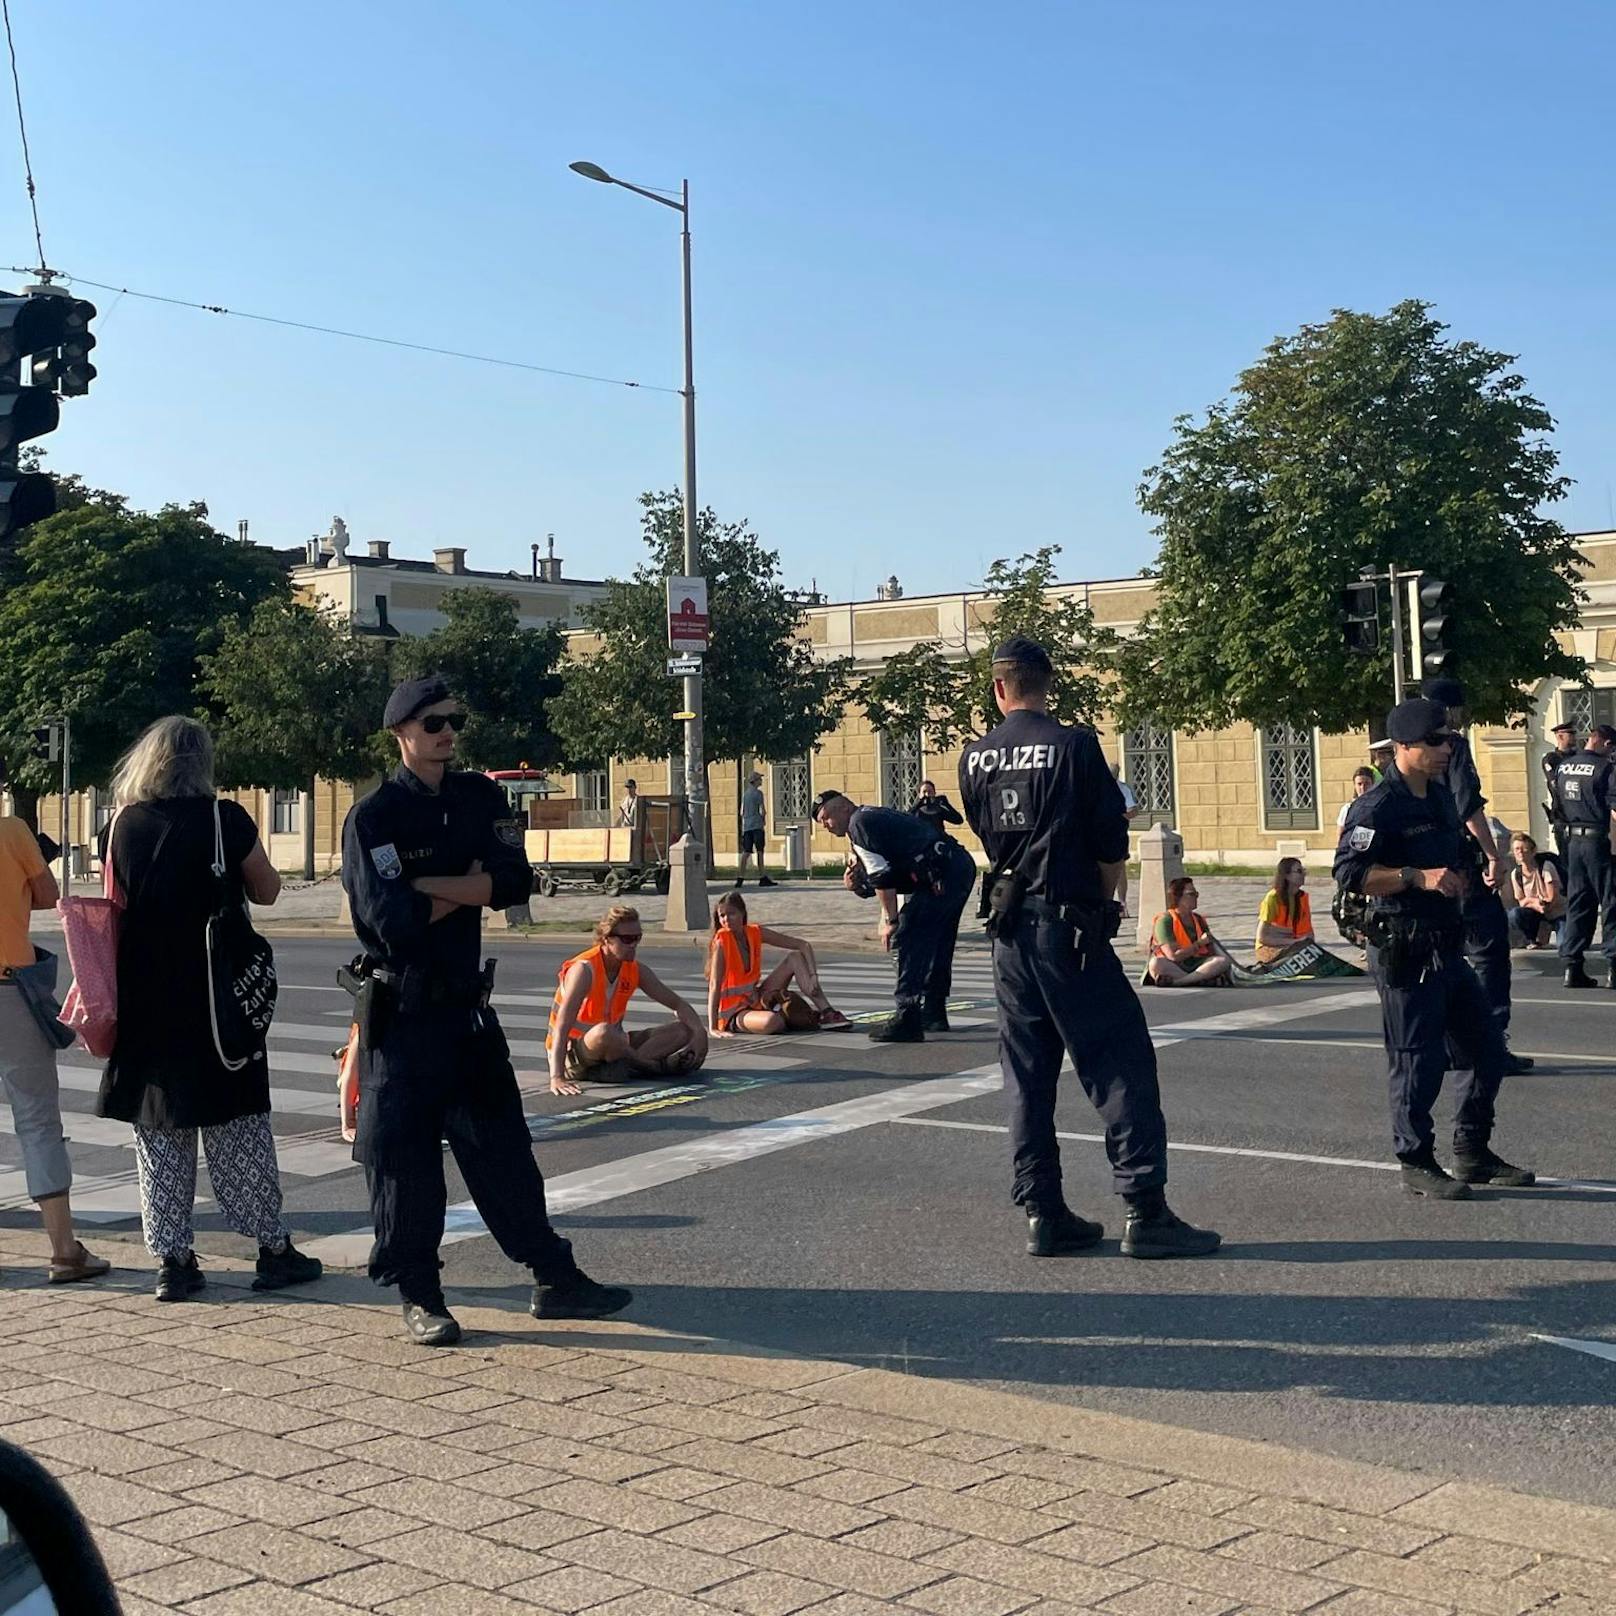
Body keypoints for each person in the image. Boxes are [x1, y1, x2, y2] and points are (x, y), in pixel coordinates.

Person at [343, 675, 631, 1346]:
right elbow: (392, 924)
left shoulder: (481, 797)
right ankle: (421, 1297)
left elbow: (514, 881)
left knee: (504, 1154)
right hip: (404, 1015)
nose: (447, 731)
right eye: (433, 722)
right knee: (404, 1166)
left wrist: (432, 887)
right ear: (402, 734)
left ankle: (555, 1279)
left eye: (453, 719)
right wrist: (465, 887)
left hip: (467, 1015)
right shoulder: (376, 816)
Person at [959, 634, 1219, 1260]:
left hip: (1009, 931)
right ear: (1047, 686)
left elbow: (989, 836)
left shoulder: (973, 758)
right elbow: (1110, 844)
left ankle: (1043, 1212)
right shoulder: (1074, 746)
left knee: (1026, 1074)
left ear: (998, 689)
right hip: (1067, 925)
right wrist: (1104, 906)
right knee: (1119, 1061)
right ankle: (1145, 1209)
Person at [97, 717, 319, 1301]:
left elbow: (112, 904)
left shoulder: (120, 824)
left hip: (146, 997)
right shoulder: (225, 820)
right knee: (238, 1124)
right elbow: (266, 889)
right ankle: (272, 1250)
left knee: (159, 1129)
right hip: (217, 998)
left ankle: (174, 1261)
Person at [1335, 697, 1536, 1198]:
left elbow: (1455, 853)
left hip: (1447, 946)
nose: (1446, 747)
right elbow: (1349, 873)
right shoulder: (1377, 806)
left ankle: (1471, 1151)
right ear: (1403, 747)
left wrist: (1482, 867)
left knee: (1486, 1049)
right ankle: (1416, 1160)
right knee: (1416, 1060)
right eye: (1435, 740)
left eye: (1448, 739)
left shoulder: (1441, 796)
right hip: (1405, 949)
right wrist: (1414, 876)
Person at [0, 797, 108, 1286]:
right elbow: (46, 895)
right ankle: (64, 1251)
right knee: (37, 1121)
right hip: (9, 991)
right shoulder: (13, 831)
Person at [1422, 678, 1527, 1074]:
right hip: (1462, 865)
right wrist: (1492, 855)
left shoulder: (1410, 747)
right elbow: (1468, 805)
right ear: (1451, 710)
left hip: (1429, 868)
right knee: (1489, 954)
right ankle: (1489, 1045)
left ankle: (1451, 1046)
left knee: (1445, 957)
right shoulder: (1453, 746)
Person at [812, 789, 976, 1041]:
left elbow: (883, 878)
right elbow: (886, 873)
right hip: (954, 867)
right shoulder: (867, 818)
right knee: (938, 942)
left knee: (908, 938)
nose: (824, 824)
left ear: (844, 807)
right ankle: (933, 1012)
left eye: (826, 817)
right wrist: (858, 885)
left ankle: (907, 1016)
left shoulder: (859, 824)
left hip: (942, 874)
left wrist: (890, 921)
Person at [548, 905, 710, 1086]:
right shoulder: (584, 970)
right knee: (605, 1032)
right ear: (606, 939)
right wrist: (557, 1077)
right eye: (627, 939)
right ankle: (651, 1067)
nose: (633, 945)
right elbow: (561, 1025)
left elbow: (677, 1004)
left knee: (683, 1030)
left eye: (637, 938)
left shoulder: (634, 969)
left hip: (616, 1046)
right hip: (576, 1052)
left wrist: (699, 1033)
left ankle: (623, 1067)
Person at [705, 891, 851, 1033]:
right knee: (773, 1022)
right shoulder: (721, 942)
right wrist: (713, 1027)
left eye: (731, 914)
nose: (726, 919)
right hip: (734, 1011)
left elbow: (803, 945)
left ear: (742, 914)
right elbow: (714, 985)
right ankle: (798, 1016)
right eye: (722, 915)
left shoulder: (754, 932)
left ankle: (827, 1012)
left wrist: (813, 976)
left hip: (755, 998)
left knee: (795, 957)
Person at [1549, 722, 1616, 988]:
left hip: (1572, 841)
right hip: (1599, 841)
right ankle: (1614, 966)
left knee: (1579, 902)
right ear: (1606, 744)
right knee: (1611, 901)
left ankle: (1572, 966)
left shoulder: (1564, 766)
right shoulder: (1606, 768)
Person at [1147, 878, 1234, 985]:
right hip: (1174, 965)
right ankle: (1200, 979)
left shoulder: (1198, 919)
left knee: (1222, 961)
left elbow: (1211, 949)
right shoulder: (1165, 921)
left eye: (1196, 894)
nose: (1196, 897)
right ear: (1178, 897)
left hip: (1197, 963)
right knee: (1156, 963)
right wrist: (1199, 944)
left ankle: (1179, 982)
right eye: (1191, 894)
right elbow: (1173, 957)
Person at [1506, 833, 1564, 949]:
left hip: (1557, 912)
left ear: (1533, 852)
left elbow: (1552, 898)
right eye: (1517, 849)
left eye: (1524, 849)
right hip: (1537, 910)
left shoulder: (1546, 867)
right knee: (1514, 914)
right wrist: (1536, 903)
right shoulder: (1516, 874)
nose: (1520, 852)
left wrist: (1533, 902)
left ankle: (1551, 928)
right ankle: (1532, 938)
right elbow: (1521, 902)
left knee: (1564, 946)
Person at [1254, 858, 1315, 965]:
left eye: (1304, 871)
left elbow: (1308, 934)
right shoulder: (1273, 898)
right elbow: (1262, 938)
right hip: (1269, 948)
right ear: (1286, 876)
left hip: (1292, 945)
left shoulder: (1303, 898)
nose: (1303, 875)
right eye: (1299, 871)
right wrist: (1293, 942)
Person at [1542, 721, 1579, 860]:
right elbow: (1556, 784)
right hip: (1562, 816)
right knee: (1566, 859)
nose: (1574, 737)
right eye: (1570, 734)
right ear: (1560, 737)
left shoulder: (1578, 757)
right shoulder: (1552, 759)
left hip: (1578, 816)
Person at [734, 772, 777, 888]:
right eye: (759, 779)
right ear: (755, 781)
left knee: (746, 852)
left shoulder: (745, 794)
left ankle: (740, 877)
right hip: (757, 826)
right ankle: (762, 877)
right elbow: (762, 809)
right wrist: (763, 820)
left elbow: (741, 812)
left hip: (747, 827)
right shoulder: (758, 794)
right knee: (759, 851)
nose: (761, 781)